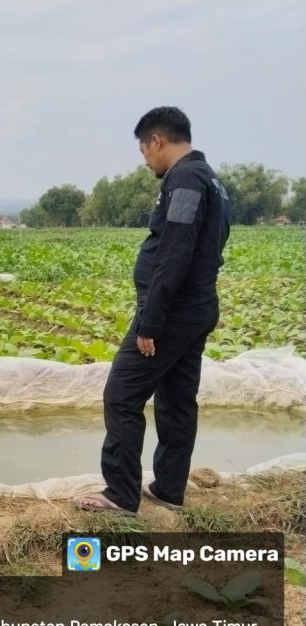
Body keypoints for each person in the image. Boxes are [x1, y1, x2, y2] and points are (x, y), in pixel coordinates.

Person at [74, 107, 230, 516]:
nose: (145, 160)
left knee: (122, 395)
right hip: (198, 306)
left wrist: (151, 322)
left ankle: (120, 494)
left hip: (174, 311)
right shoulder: (212, 179)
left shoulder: (185, 180)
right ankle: (168, 490)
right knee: (177, 399)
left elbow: (174, 252)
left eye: (144, 150)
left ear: (157, 141)